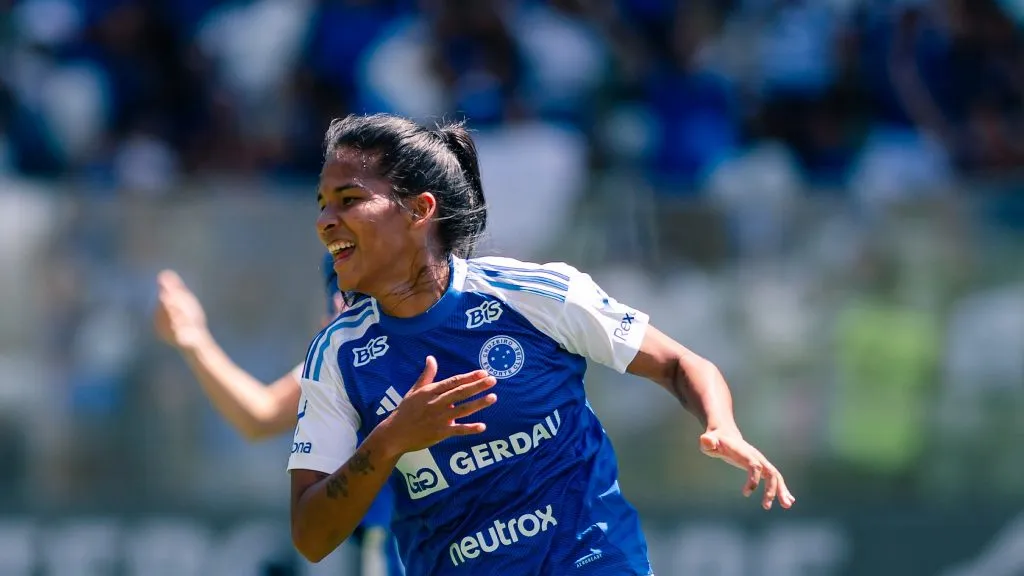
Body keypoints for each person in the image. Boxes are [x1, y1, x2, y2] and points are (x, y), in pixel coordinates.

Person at [289, 113, 796, 575]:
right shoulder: (338, 355)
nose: (324, 220)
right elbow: (311, 536)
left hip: (592, 559)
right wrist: (392, 437)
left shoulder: (531, 294)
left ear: (420, 210)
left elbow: (679, 363)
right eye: (322, 204)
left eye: (349, 200)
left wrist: (721, 425)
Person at [153, 254, 404, 576]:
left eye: (350, 300)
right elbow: (262, 415)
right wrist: (192, 339)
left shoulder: (450, 330)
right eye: (335, 301)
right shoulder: (341, 359)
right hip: (398, 550)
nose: (335, 314)